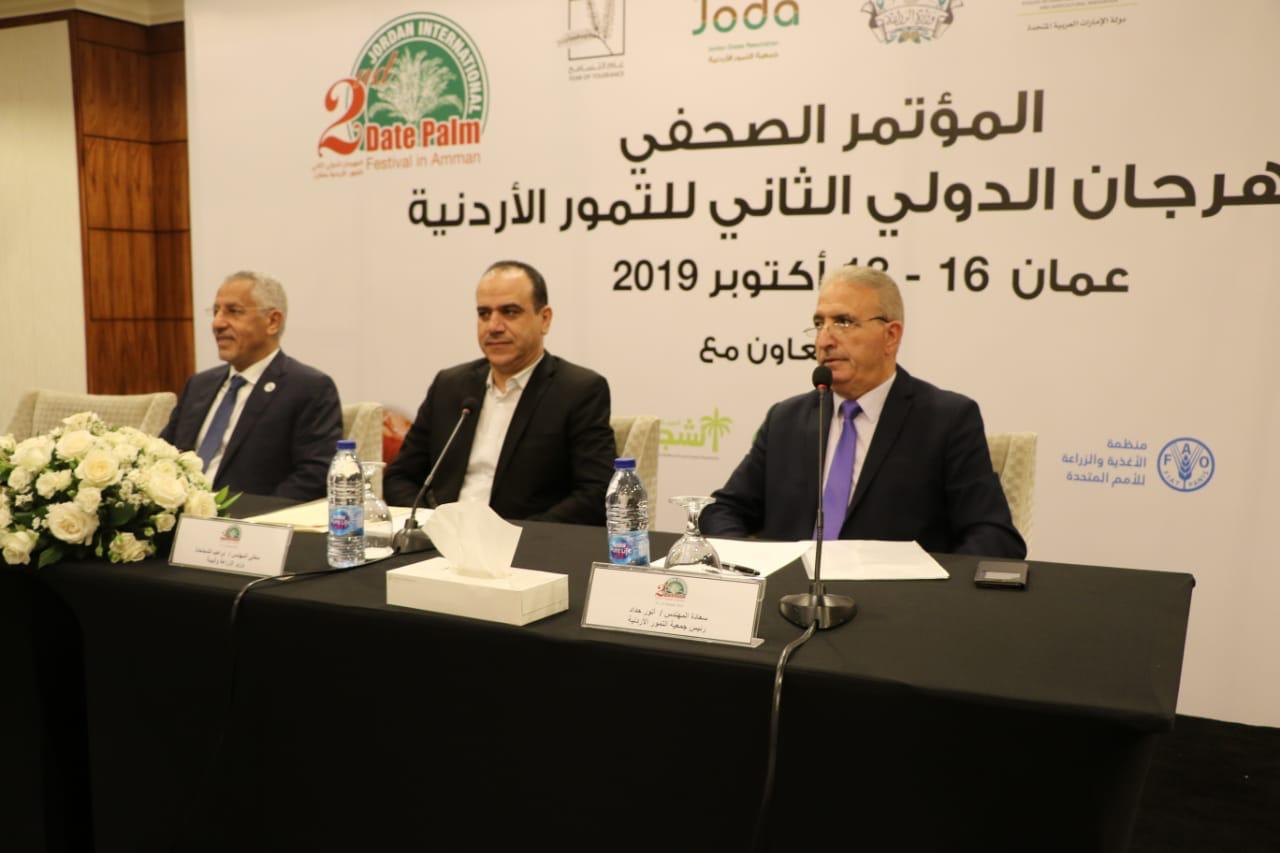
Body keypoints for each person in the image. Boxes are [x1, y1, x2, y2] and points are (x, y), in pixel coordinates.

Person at [700, 265, 1025, 558]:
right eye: (819, 324)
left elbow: (995, 537)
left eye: (843, 322)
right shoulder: (785, 419)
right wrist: (752, 565)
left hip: (894, 600)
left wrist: (931, 590)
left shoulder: (947, 420)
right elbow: (722, 511)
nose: (824, 340)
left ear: (891, 336)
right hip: (788, 596)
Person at [383, 261, 616, 524]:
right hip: (440, 539)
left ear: (544, 319)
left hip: (526, 542)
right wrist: (434, 524)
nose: (494, 326)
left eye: (510, 312)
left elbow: (596, 493)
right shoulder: (449, 386)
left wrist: (517, 535)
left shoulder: (579, 391)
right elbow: (400, 477)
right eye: (484, 314)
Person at [159, 271, 342, 501]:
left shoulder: (308, 388)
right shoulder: (199, 385)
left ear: (272, 322)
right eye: (215, 311)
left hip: (249, 519)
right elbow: (163, 455)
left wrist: (252, 517)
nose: (217, 323)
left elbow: (315, 476)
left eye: (233, 311)